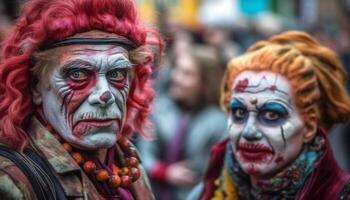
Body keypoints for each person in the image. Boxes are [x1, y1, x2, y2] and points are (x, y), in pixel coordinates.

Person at [0, 0, 161, 199]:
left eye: (117, 74)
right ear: (36, 87)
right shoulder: (12, 182)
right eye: (77, 74)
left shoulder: (126, 160)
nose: (105, 95)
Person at [188, 31, 350, 200]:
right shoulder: (206, 192)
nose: (249, 132)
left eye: (272, 115)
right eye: (239, 113)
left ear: (308, 128)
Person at [137, 44, 227, 200]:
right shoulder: (159, 108)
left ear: (205, 82)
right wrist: (165, 172)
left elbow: (212, 171)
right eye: (177, 69)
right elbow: (143, 156)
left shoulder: (219, 121)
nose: (176, 77)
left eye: (187, 74)